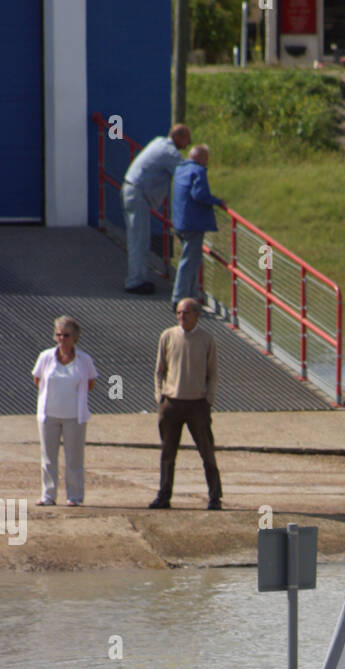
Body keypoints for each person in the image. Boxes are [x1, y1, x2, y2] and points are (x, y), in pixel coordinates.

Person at [150, 298, 223, 509]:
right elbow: (159, 370)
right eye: (179, 313)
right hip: (171, 402)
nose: (182, 317)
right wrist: (159, 396)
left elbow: (213, 373)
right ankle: (163, 496)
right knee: (167, 453)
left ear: (197, 315)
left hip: (197, 404)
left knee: (207, 451)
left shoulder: (207, 339)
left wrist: (209, 399)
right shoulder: (168, 336)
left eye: (186, 313)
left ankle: (215, 497)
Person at [31, 316, 98, 506]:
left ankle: (75, 497)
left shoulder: (84, 360)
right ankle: (48, 495)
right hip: (48, 415)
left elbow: (91, 383)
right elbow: (37, 380)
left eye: (66, 335)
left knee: (74, 458)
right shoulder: (45, 357)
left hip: (74, 417)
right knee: (48, 458)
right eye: (58, 334)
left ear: (75, 337)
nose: (62, 339)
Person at [121, 124, 191, 295]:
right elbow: (185, 173)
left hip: (132, 191)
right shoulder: (169, 153)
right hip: (138, 195)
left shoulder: (159, 142)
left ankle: (136, 278)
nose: (188, 143)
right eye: (187, 139)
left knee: (137, 239)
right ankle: (135, 282)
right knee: (139, 240)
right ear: (178, 137)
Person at [170, 145, 227, 309]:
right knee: (189, 262)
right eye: (206, 158)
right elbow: (199, 194)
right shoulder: (198, 171)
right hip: (193, 224)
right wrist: (217, 201)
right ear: (200, 157)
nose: (207, 162)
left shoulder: (180, 168)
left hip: (180, 221)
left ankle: (191, 296)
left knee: (191, 261)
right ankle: (179, 298)